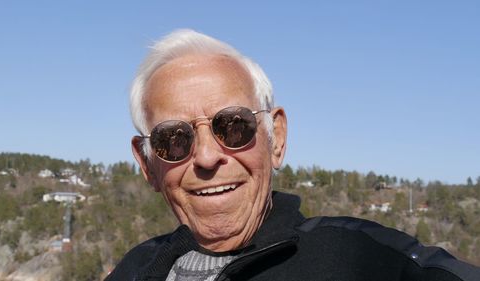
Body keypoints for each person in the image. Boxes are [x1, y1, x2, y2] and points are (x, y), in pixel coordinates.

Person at [105, 29, 480, 281]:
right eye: (173, 138)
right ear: (147, 164)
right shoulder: (135, 268)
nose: (205, 157)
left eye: (233, 127)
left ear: (277, 139)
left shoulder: (363, 258)